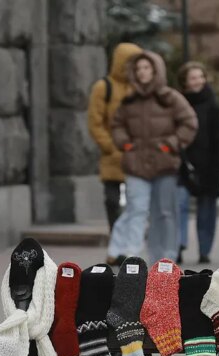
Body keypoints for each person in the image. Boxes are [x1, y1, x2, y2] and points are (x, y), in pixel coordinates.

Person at [107, 51, 198, 265]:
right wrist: (126, 144)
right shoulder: (129, 101)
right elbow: (117, 125)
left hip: (164, 164)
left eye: (146, 68)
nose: (142, 73)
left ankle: (166, 258)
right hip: (136, 165)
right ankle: (132, 256)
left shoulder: (170, 97)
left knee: (165, 213)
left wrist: (171, 145)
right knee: (136, 209)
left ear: (156, 70)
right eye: (138, 69)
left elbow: (189, 122)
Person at [176, 61, 219, 265]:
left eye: (201, 76)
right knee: (179, 203)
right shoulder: (178, 102)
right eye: (193, 77)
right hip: (183, 162)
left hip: (209, 163)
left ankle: (205, 249)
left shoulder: (213, 104)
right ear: (185, 82)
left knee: (207, 208)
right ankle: (178, 244)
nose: (198, 81)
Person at [87, 43, 143, 230]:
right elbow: (95, 121)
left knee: (137, 200)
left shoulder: (139, 88)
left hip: (136, 154)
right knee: (112, 200)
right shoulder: (104, 87)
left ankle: (131, 235)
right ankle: (116, 235)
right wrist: (109, 146)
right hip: (112, 155)